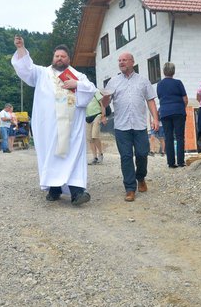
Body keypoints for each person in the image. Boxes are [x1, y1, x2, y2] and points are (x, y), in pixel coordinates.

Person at [12, 35, 94, 206]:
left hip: (72, 129)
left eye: (63, 56)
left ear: (68, 59)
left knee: (72, 156)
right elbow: (26, 68)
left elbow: (91, 90)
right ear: (53, 58)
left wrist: (77, 84)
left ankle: (77, 192)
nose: (59, 59)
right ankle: (54, 188)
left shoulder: (77, 75)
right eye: (57, 56)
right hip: (48, 127)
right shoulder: (42, 73)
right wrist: (21, 48)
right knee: (51, 155)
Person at [102, 52, 159, 202]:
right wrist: (105, 101)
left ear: (132, 62)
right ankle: (130, 188)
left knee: (142, 154)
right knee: (126, 157)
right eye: (119, 60)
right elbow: (105, 104)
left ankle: (140, 177)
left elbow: (151, 101)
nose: (121, 62)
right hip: (121, 126)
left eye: (124, 60)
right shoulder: (113, 82)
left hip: (140, 125)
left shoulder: (143, 81)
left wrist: (155, 119)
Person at [156, 62, 188, 168]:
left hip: (165, 112)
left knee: (168, 137)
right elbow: (185, 99)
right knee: (179, 137)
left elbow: (160, 97)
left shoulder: (159, 84)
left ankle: (170, 162)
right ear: (173, 71)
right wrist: (182, 107)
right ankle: (180, 161)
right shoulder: (178, 83)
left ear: (163, 71)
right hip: (178, 111)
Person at [85, 90, 107, 164]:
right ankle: (94, 157)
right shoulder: (82, 93)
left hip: (97, 115)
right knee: (89, 138)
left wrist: (103, 116)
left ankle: (100, 153)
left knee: (95, 136)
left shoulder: (94, 91)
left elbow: (102, 104)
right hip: (87, 117)